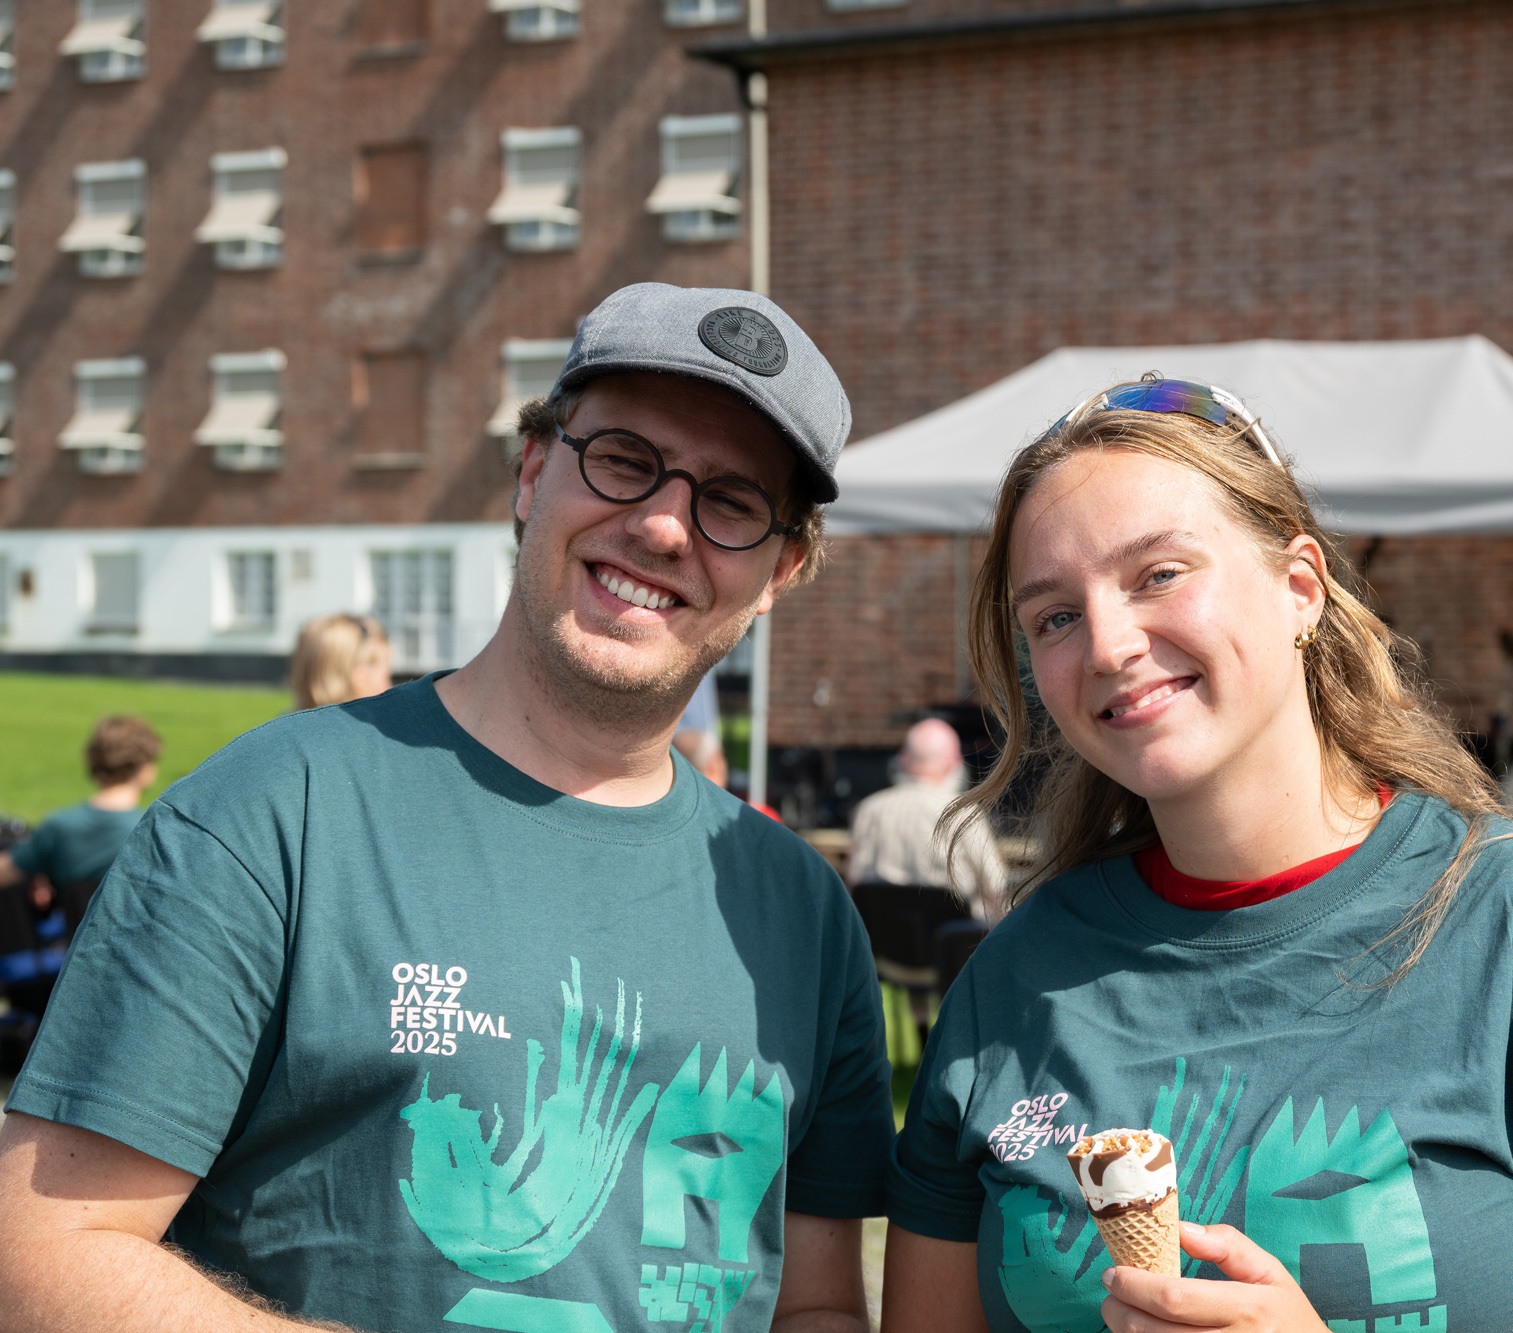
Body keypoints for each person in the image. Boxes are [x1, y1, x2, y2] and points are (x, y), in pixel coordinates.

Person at [0, 284, 894, 1333]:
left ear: (781, 569)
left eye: (732, 501)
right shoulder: (272, 815)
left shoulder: (800, 907)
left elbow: (814, 1305)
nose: (660, 524)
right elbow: (43, 1258)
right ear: (531, 469)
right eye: (623, 459)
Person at [880, 378, 1513, 1333]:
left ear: (1301, 588)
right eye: (1055, 617)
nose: (1109, 643)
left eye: (1158, 573)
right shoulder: (1014, 979)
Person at [845, 718, 1011, 925]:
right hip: (953, 946)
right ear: (955, 762)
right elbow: (996, 886)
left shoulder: (868, 810)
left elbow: (855, 884)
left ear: (903, 759)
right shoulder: (963, 813)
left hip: (882, 944)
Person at [0, 714, 161, 913]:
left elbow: (5, 873)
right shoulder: (154, 832)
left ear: (92, 761)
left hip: (74, 940)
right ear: (145, 768)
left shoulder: (59, 826)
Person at [288, 613, 393, 709]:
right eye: (386, 676)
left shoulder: (284, 726)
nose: (391, 687)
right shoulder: (373, 728)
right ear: (360, 677)